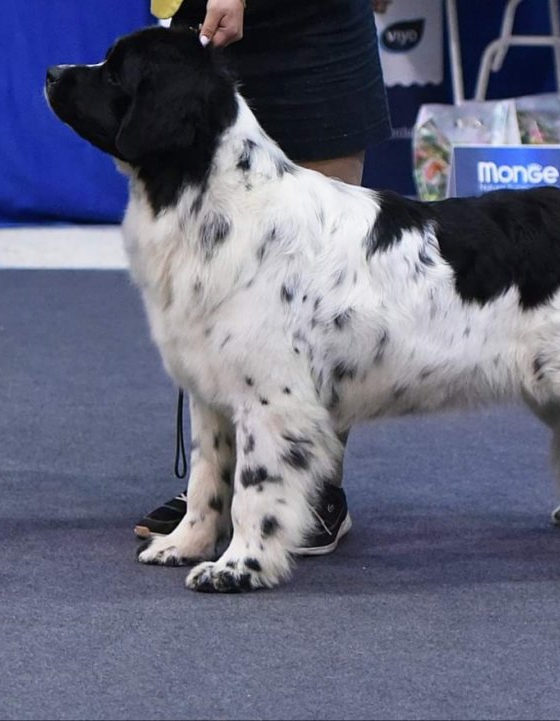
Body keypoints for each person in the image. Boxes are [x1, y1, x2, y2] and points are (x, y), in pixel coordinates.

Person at [135, 0, 392, 553]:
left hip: (315, 31)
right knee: (213, 290)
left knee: (322, 286)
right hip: (205, 20)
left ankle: (315, 487)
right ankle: (215, 493)